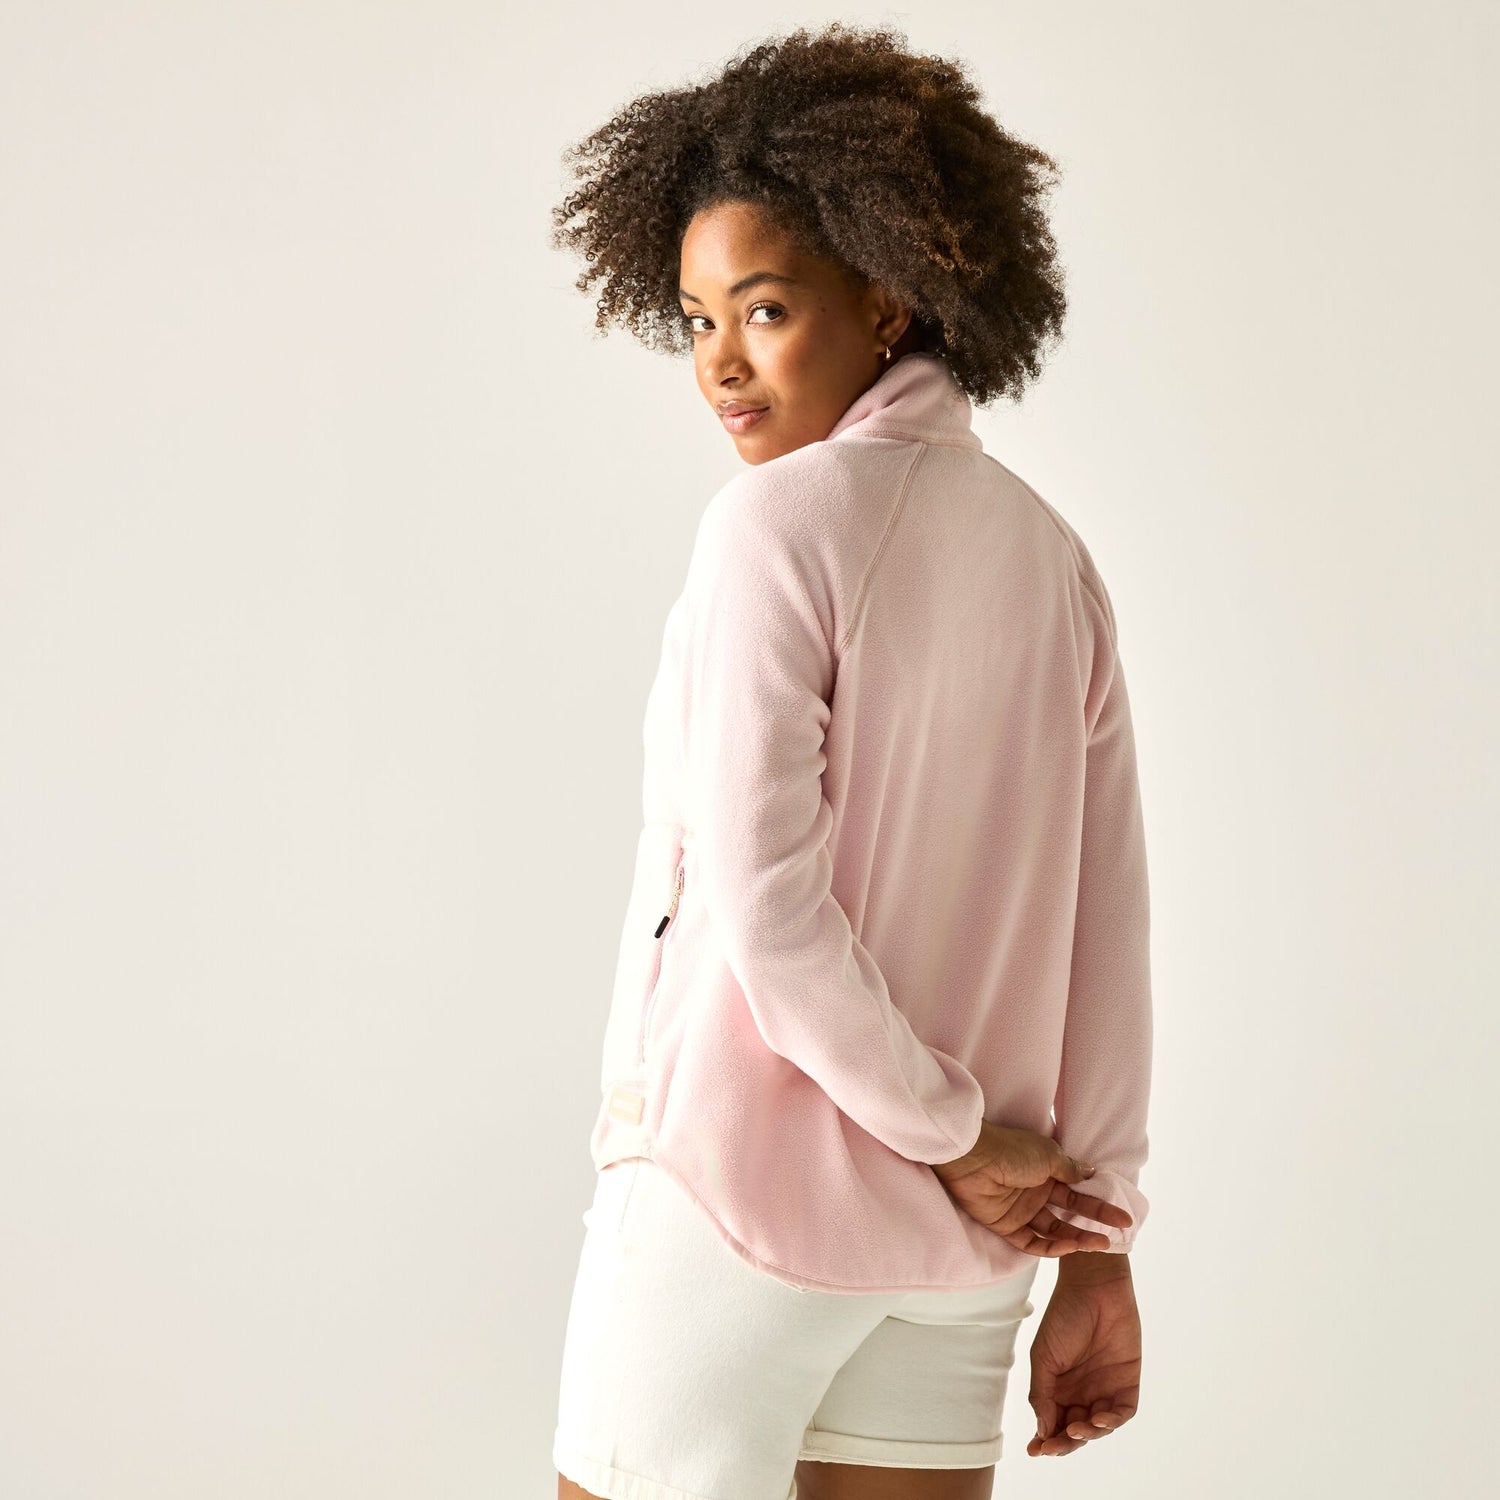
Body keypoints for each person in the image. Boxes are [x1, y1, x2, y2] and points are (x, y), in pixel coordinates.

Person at [547, 21, 1153, 1500]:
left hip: (737, 1210)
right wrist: (1097, 1239)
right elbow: (1108, 930)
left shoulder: (774, 526)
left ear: (886, 297)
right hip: (964, 1260)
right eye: (696, 321)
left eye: (764, 310)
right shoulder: (1055, 560)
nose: (722, 365)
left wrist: (951, 1136)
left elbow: (761, 907)